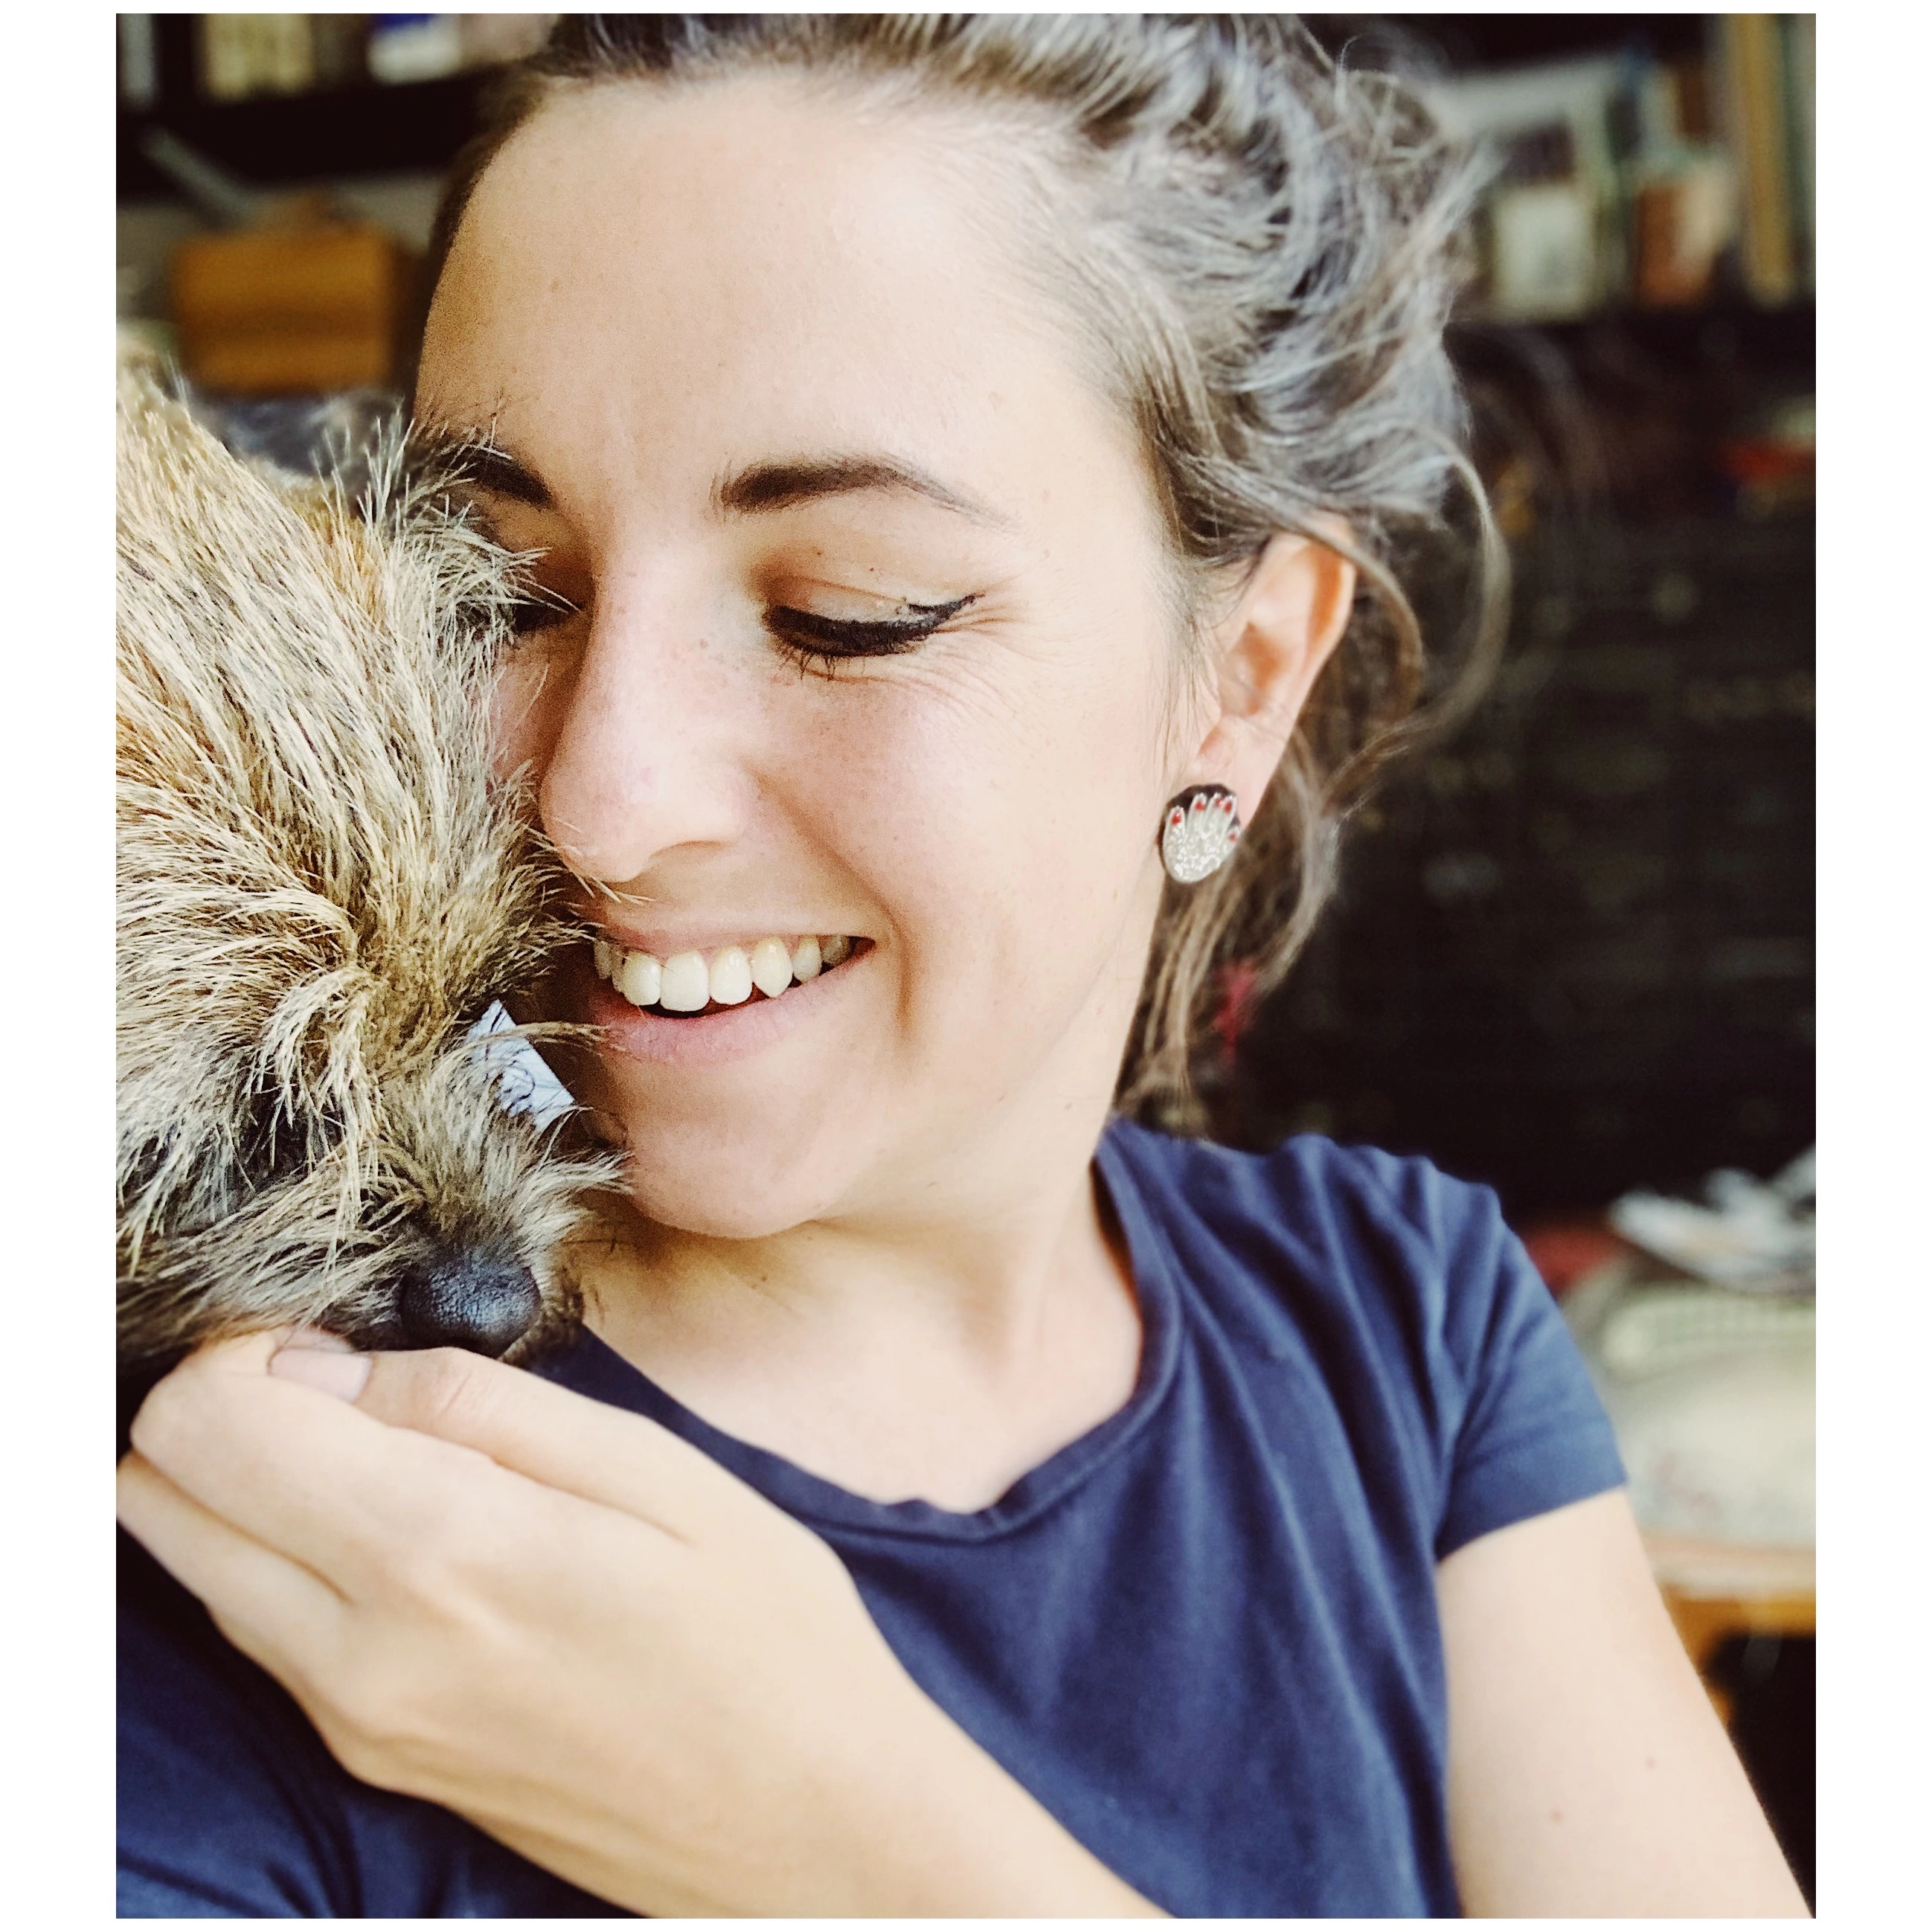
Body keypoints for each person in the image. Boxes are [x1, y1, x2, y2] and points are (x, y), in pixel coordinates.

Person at [116, 16, 1808, 1919]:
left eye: (849, 614)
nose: (600, 799)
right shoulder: (242, 1536)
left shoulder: (1401, 1324)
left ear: (1240, 678)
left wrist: (850, 1844)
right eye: (499, 591)